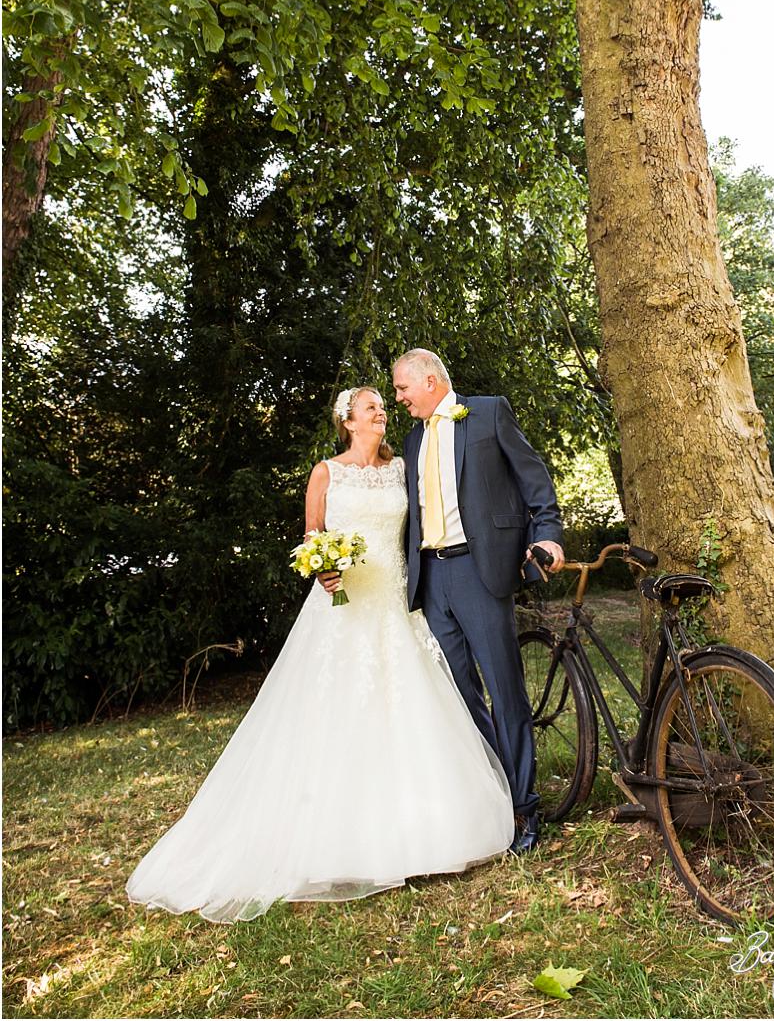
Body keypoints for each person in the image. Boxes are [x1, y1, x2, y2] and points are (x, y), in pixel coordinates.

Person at [126, 387, 513, 922]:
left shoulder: (402, 467)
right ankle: (339, 838)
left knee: (410, 706)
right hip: (344, 606)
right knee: (340, 710)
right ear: (348, 421)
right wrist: (322, 567)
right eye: (372, 407)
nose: (383, 411)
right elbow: (311, 538)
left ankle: (424, 829)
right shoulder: (326, 473)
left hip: (396, 601)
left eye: (383, 404)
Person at [392, 349, 565, 854]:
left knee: (505, 691)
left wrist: (548, 533)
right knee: (460, 695)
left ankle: (525, 807)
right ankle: (494, 794)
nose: (399, 398)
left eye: (403, 388)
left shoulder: (489, 413)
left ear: (430, 380)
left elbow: (534, 479)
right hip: (432, 578)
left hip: (480, 570)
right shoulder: (412, 439)